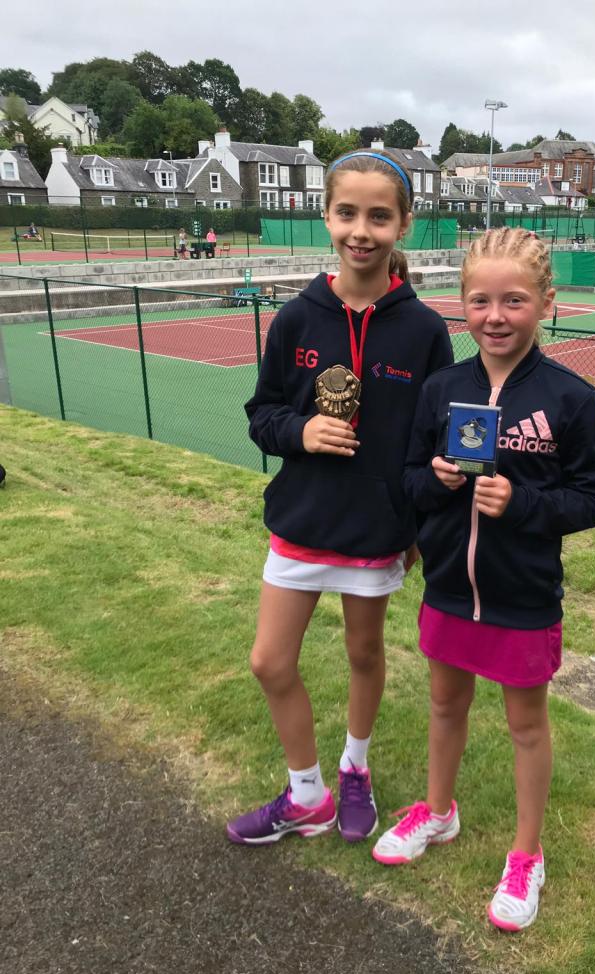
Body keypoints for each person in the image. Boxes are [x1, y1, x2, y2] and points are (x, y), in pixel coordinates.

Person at [372, 227, 595, 932]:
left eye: (514, 300)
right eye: (480, 300)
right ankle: (437, 812)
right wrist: (436, 481)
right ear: (462, 303)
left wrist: (523, 503)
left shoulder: (571, 399)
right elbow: (409, 481)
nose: (496, 316)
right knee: (445, 705)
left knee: (525, 726)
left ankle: (526, 854)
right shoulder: (442, 389)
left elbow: (593, 499)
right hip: (449, 586)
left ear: (546, 302)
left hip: (522, 597)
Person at [227, 150, 453, 847]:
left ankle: (355, 769)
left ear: (403, 225)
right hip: (301, 520)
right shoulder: (297, 318)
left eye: (379, 217)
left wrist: (416, 527)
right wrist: (301, 431)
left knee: (364, 654)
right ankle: (307, 796)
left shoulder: (425, 331)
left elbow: (430, 439)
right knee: (269, 661)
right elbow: (262, 414)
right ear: (326, 216)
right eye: (347, 213)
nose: (361, 230)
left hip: (375, 529)